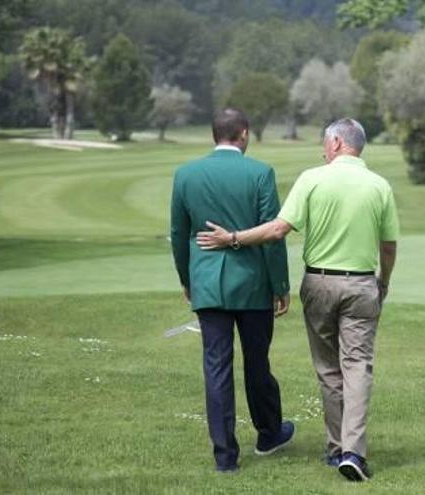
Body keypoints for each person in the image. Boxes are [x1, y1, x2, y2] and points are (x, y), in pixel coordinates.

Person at [197, 118, 398, 482]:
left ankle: (338, 448)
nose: (323, 149)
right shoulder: (379, 185)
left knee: (328, 368)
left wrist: (233, 239)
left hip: (320, 283)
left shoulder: (312, 179)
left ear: (336, 143)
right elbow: (388, 245)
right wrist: (384, 281)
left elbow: (277, 229)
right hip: (363, 285)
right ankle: (352, 451)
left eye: (325, 143)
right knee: (357, 367)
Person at [170, 108, 294, 473]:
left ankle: (225, 456)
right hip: (253, 285)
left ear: (214, 135)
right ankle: (269, 433)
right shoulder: (260, 172)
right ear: (243, 133)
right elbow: (272, 235)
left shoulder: (186, 174)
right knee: (258, 362)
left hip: (207, 284)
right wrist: (281, 285)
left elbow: (179, 234)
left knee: (216, 368)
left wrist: (186, 280)